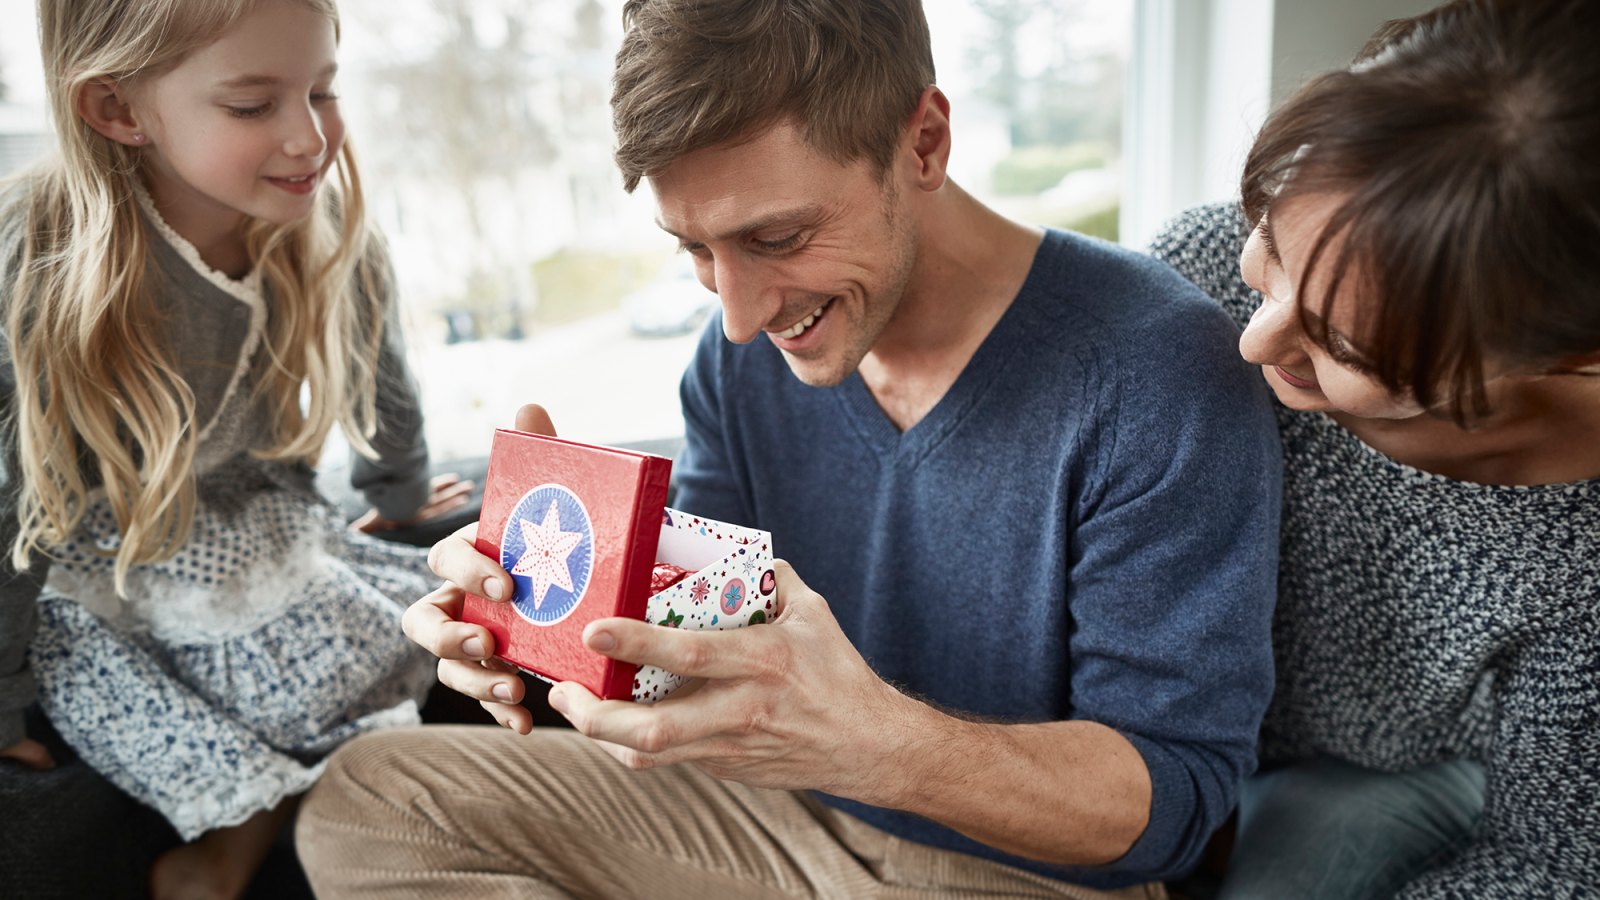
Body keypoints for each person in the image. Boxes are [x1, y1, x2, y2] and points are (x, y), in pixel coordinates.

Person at [296, 1, 1283, 897]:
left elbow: (1171, 804)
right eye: (694, 249)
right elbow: (708, 652)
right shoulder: (740, 362)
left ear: (924, 144)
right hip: (774, 818)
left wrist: (876, 745)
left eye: (774, 237)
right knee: (368, 804)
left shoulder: (1154, 371)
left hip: (1026, 875)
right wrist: (544, 612)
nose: (735, 316)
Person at [0, 1, 469, 897]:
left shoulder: (314, 220)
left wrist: (400, 490)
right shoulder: (44, 267)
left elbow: (380, 366)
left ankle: (333, 807)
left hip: (248, 513)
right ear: (118, 110)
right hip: (98, 555)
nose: (309, 138)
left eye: (323, 92)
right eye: (254, 107)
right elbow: (8, 503)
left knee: (398, 629)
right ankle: (227, 849)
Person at [1148, 1, 1600, 896]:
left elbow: (1549, 860)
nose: (1256, 339)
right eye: (1269, 244)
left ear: (1566, 353)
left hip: (1387, 773)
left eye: (1345, 347)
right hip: (1162, 726)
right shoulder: (1192, 278)